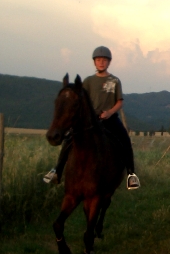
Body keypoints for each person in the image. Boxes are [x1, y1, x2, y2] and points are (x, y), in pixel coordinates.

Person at [43, 46, 140, 190]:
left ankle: (131, 174)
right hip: (91, 120)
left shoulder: (114, 81)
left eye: (104, 60)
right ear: (94, 62)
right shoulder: (88, 81)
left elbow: (120, 101)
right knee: (70, 139)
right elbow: (81, 100)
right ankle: (57, 170)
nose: (101, 62)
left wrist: (109, 112)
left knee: (124, 138)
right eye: (98, 60)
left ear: (109, 62)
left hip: (110, 118)